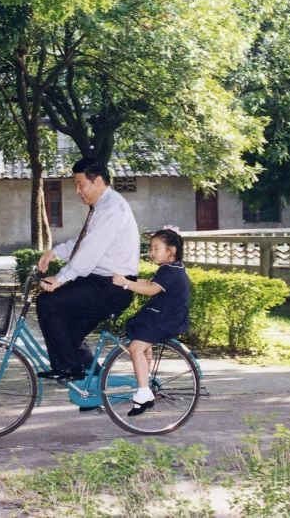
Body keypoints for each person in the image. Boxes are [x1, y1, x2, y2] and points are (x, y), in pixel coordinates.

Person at [36, 157, 139, 387]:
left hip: (113, 286)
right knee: (67, 332)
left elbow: (89, 252)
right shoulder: (102, 206)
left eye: (80, 184)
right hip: (102, 283)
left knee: (48, 303)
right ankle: (94, 387)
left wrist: (61, 279)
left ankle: (68, 368)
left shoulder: (112, 208)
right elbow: (84, 242)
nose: (77, 190)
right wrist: (55, 252)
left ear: (99, 181)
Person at [112, 228, 190, 416]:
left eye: (156, 248)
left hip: (166, 319)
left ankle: (144, 391)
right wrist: (128, 279)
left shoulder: (170, 271)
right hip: (162, 315)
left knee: (135, 348)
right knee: (143, 341)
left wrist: (126, 283)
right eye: (151, 248)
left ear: (171, 251)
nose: (151, 252)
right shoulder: (172, 268)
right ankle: (144, 384)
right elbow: (148, 283)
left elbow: (151, 290)